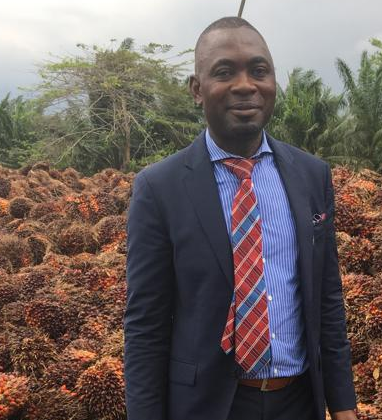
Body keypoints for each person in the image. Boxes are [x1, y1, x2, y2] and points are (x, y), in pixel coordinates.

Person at [124, 16, 358, 420]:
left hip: (299, 401)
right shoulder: (159, 188)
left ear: (273, 81)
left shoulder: (311, 174)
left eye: (259, 70)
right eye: (224, 72)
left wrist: (343, 406)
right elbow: (145, 327)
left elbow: (327, 301)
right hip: (207, 406)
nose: (246, 85)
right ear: (197, 90)